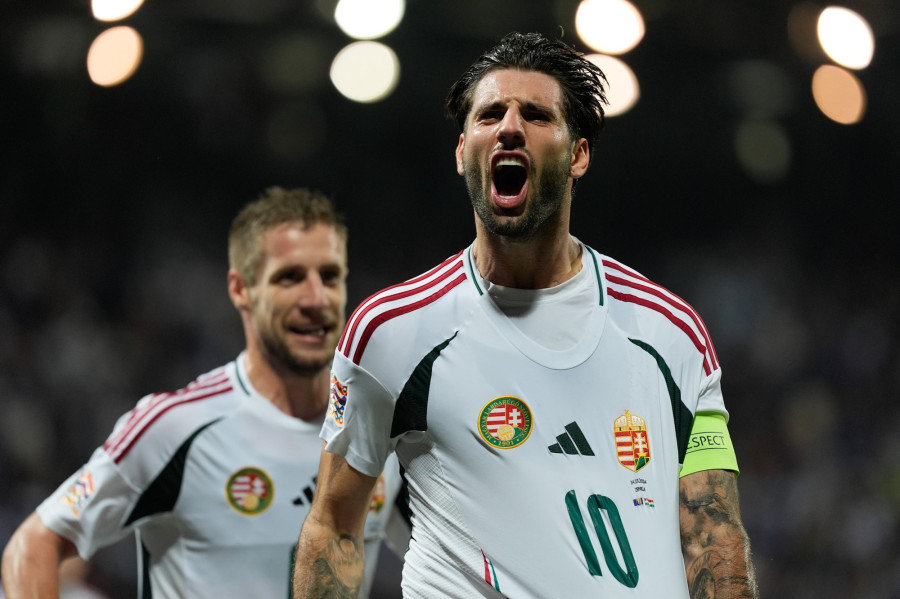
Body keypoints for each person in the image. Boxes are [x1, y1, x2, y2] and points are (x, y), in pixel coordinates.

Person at [292, 31, 758, 598]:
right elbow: (335, 527)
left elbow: (714, 539)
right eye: (490, 115)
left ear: (578, 154)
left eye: (536, 115)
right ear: (462, 151)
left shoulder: (670, 334)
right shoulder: (392, 332)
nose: (509, 127)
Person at [2, 187, 405, 598]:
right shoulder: (175, 429)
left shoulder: (376, 433)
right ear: (241, 289)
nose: (316, 298)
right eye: (290, 277)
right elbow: (33, 545)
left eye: (330, 276)